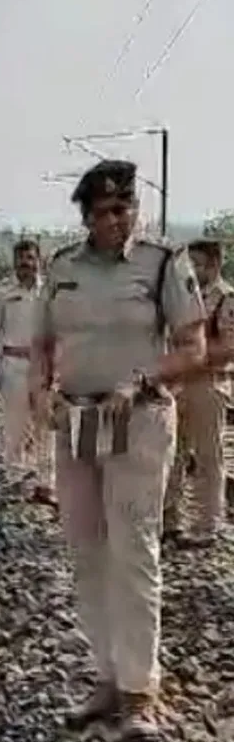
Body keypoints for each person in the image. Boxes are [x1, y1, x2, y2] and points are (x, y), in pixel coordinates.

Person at [31, 159, 206, 742]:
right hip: (77, 422)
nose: (115, 219)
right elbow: (43, 342)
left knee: (134, 551)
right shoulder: (62, 268)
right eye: (103, 210)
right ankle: (106, 676)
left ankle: (139, 694)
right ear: (86, 216)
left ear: (136, 208)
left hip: (139, 419)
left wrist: (142, 379)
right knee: (86, 549)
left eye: (124, 207)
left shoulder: (162, 263)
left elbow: (193, 347)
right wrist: (38, 390)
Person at [162, 230, 234, 548]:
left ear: (216, 264)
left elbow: (228, 347)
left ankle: (207, 525)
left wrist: (192, 358)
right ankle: (170, 520)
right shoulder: (188, 298)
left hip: (208, 384)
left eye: (200, 264)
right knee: (174, 455)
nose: (194, 271)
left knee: (208, 457)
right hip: (180, 385)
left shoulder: (226, 299)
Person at [0, 237, 56, 505]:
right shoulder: (1, 294)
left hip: (43, 365)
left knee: (46, 425)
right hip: (13, 363)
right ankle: (15, 478)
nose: (25, 265)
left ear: (38, 260)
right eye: (20, 260)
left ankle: (46, 483)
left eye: (30, 258)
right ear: (14, 263)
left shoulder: (51, 292)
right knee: (16, 424)